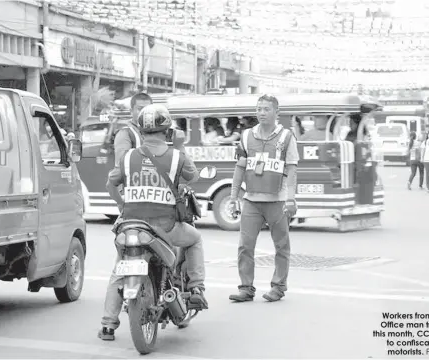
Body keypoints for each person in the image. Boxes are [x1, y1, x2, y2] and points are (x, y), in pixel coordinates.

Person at [99, 104, 208, 341]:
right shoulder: (176, 157)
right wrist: (179, 147)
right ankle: (197, 287)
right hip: (165, 230)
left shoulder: (128, 157)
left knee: (119, 269)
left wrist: (122, 206)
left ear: (140, 130)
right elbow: (194, 177)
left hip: (130, 226)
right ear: (167, 130)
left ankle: (108, 324)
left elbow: (110, 184)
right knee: (195, 239)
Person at [227, 94, 299, 303]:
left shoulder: (286, 137)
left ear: (277, 113)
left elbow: (292, 170)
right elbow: (239, 168)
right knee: (245, 246)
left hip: (277, 201)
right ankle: (246, 288)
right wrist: (233, 197)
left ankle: (278, 287)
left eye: (266, 109)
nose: (261, 113)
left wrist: (291, 199)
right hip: (251, 201)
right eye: (259, 109)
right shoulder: (246, 135)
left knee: (281, 246)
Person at [112, 92, 153, 167]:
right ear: (131, 111)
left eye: (148, 109)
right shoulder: (125, 133)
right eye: (140, 109)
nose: (144, 113)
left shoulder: (158, 132)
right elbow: (121, 165)